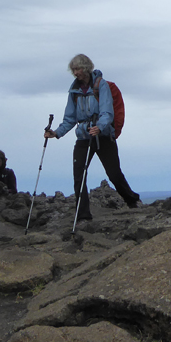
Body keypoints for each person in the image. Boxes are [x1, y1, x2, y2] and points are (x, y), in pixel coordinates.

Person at [45, 54, 140, 220]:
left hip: (103, 137)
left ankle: (132, 200)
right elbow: (70, 118)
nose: (75, 73)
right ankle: (82, 216)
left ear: (86, 68)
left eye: (78, 69)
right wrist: (56, 133)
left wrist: (99, 127)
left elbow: (107, 112)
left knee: (114, 174)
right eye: (73, 70)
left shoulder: (101, 85)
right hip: (83, 137)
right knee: (79, 176)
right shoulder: (74, 91)